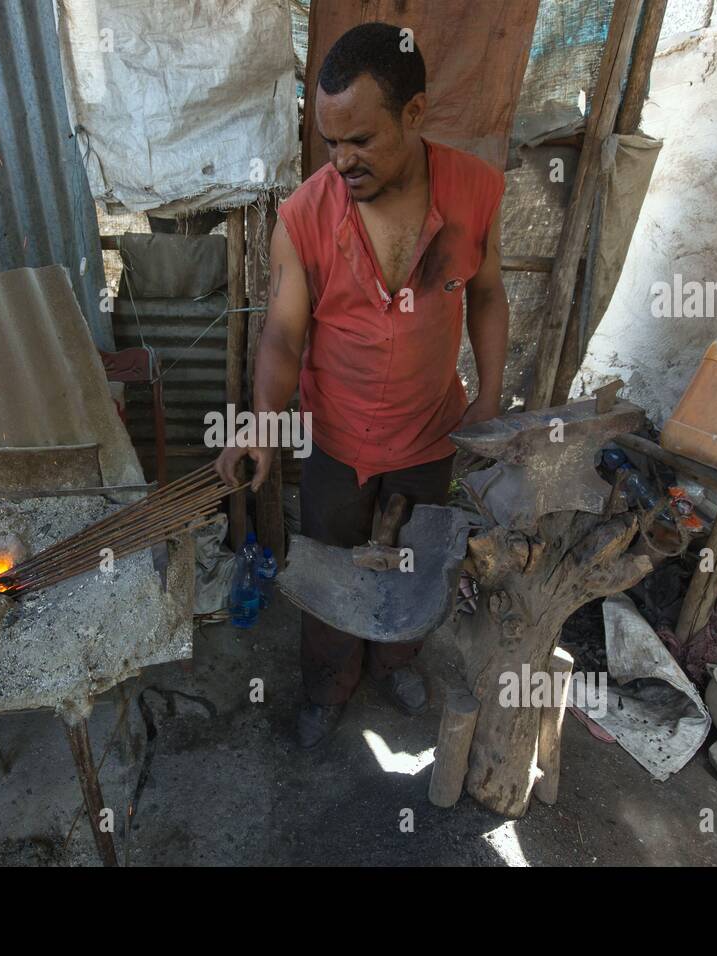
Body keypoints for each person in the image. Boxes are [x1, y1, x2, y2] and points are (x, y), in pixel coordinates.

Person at [214, 21, 509, 748]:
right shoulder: (306, 214)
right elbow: (284, 333)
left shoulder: (475, 191)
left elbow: (491, 293)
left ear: (414, 115)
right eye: (329, 142)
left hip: (429, 433)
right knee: (331, 575)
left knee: (414, 565)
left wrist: (493, 394)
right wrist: (260, 423)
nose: (342, 160)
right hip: (338, 439)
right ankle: (328, 685)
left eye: (362, 141)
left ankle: (394, 662)